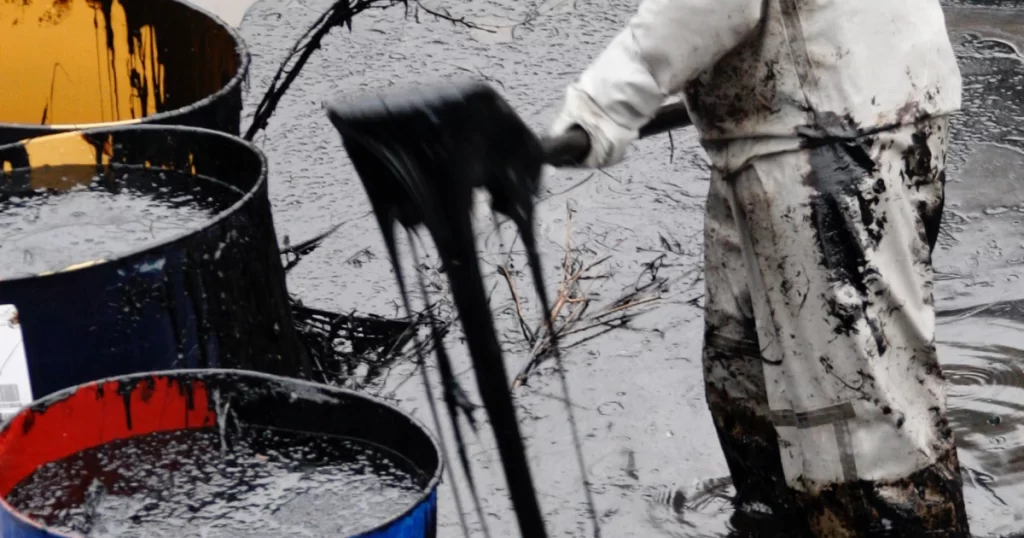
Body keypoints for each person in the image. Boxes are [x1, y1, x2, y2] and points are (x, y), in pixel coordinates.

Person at [550, 0, 969, 536]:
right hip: (825, 103)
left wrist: (601, 107)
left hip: (829, 129)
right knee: (748, 384)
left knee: (861, 432)